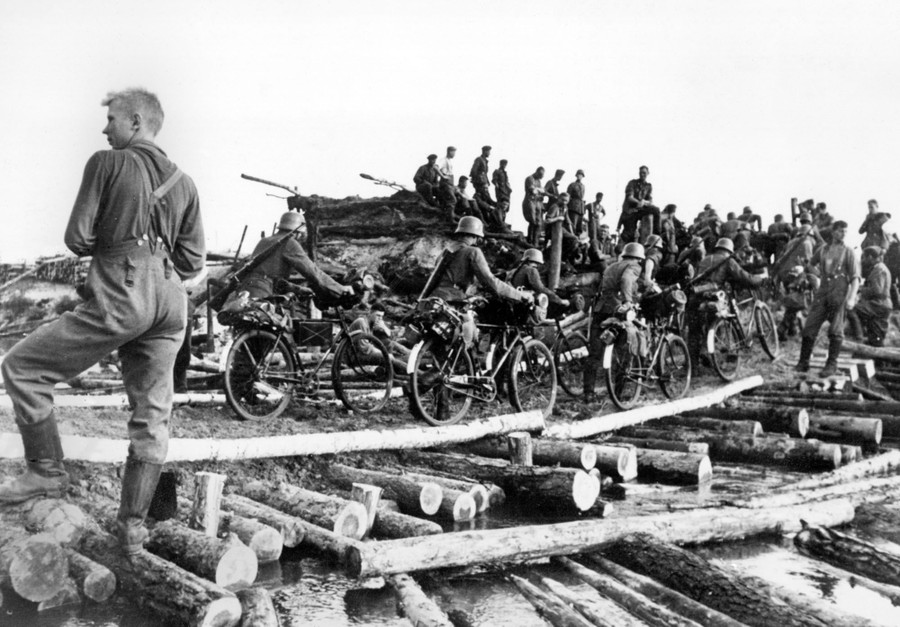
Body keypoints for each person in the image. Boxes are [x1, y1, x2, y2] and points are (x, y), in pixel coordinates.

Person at [0, 88, 205, 556]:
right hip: (172, 304)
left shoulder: (106, 162)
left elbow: (77, 236)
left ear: (135, 121)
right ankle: (132, 526)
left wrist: (117, 246)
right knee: (152, 414)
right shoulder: (185, 181)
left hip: (122, 293)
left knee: (22, 368)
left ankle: (46, 473)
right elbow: (192, 261)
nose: (104, 128)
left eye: (111, 119)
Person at [234, 212, 353, 302]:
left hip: (246, 290)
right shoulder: (288, 243)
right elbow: (313, 272)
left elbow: (270, 275)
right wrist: (340, 289)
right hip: (262, 291)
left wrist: (298, 289)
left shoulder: (264, 241)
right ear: (298, 231)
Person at [685, 238, 764, 370]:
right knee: (721, 320)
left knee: (694, 332)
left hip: (695, 296)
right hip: (713, 298)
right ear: (729, 251)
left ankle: (692, 368)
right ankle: (716, 354)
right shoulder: (728, 261)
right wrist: (760, 279)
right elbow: (745, 277)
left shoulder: (705, 259)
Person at [795, 221, 860, 377]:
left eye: (845, 231)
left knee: (836, 330)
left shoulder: (849, 252)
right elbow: (810, 265)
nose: (843, 234)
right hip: (822, 294)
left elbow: (855, 278)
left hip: (839, 295)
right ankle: (803, 362)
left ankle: (831, 364)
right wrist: (815, 277)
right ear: (833, 233)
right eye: (840, 231)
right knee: (809, 327)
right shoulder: (823, 250)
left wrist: (851, 298)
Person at [582, 242, 646, 403]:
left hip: (601, 309)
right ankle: (617, 393)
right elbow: (626, 280)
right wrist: (628, 301)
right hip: (618, 311)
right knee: (625, 350)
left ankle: (588, 393)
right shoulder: (634, 266)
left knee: (594, 353)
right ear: (639, 257)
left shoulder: (612, 266)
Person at [423, 216, 533, 305]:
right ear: (477, 236)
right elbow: (491, 283)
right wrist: (520, 295)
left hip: (434, 300)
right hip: (452, 301)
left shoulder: (447, 251)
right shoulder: (473, 251)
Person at [847, 246, 892, 347]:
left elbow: (877, 290)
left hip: (878, 304)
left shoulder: (879, 269)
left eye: (864, 257)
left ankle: (858, 339)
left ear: (871, 257)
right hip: (881, 305)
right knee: (876, 339)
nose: (863, 260)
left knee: (851, 309)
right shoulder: (880, 268)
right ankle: (881, 361)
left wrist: (860, 289)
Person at [349, 302, 410, 372]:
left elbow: (389, 338)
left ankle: (409, 369)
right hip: (354, 357)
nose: (380, 318)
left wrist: (384, 327)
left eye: (381, 316)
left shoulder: (371, 323)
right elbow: (365, 348)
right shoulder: (361, 322)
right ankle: (413, 373)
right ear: (370, 312)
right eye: (378, 315)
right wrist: (385, 353)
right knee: (389, 358)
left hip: (362, 353)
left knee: (391, 350)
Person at [621, 165, 660, 242]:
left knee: (656, 210)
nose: (642, 174)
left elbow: (650, 200)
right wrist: (638, 202)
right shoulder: (632, 183)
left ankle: (657, 235)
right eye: (641, 173)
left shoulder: (649, 186)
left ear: (648, 173)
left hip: (641, 210)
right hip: (631, 210)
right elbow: (629, 197)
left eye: (644, 173)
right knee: (628, 235)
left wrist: (644, 202)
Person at [544, 192, 580, 262]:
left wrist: (572, 233)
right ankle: (563, 258)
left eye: (566, 201)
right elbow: (547, 220)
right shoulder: (555, 207)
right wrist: (558, 218)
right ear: (558, 199)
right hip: (552, 230)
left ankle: (567, 257)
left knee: (574, 239)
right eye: (562, 200)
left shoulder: (565, 208)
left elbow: (568, 222)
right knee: (574, 240)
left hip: (560, 229)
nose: (564, 202)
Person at [522, 167, 546, 247]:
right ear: (537, 172)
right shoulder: (530, 179)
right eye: (540, 175)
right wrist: (540, 190)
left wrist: (539, 190)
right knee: (532, 221)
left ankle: (535, 242)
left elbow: (541, 192)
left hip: (537, 202)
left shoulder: (538, 181)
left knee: (539, 223)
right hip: (530, 201)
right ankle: (530, 241)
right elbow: (533, 191)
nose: (541, 177)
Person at [436, 146, 457, 213]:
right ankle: (450, 219)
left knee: (447, 200)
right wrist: (442, 176)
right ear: (449, 151)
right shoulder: (443, 160)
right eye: (453, 152)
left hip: (450, 183)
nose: (454, 154)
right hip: (445, 183)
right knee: (452, 200)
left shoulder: (449, 160)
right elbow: (436, 167)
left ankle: (448, 217)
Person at [566, 169, 586, 236]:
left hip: (581, 208)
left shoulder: (583, 186)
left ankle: (577, 238)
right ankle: (572, 239)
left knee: (579, 226)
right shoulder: (572, 185)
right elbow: (568, 196)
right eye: (578, 175)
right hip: (573, 207)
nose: (579, 176)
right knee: (573, 224)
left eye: (581, 175)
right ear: (576, 175)